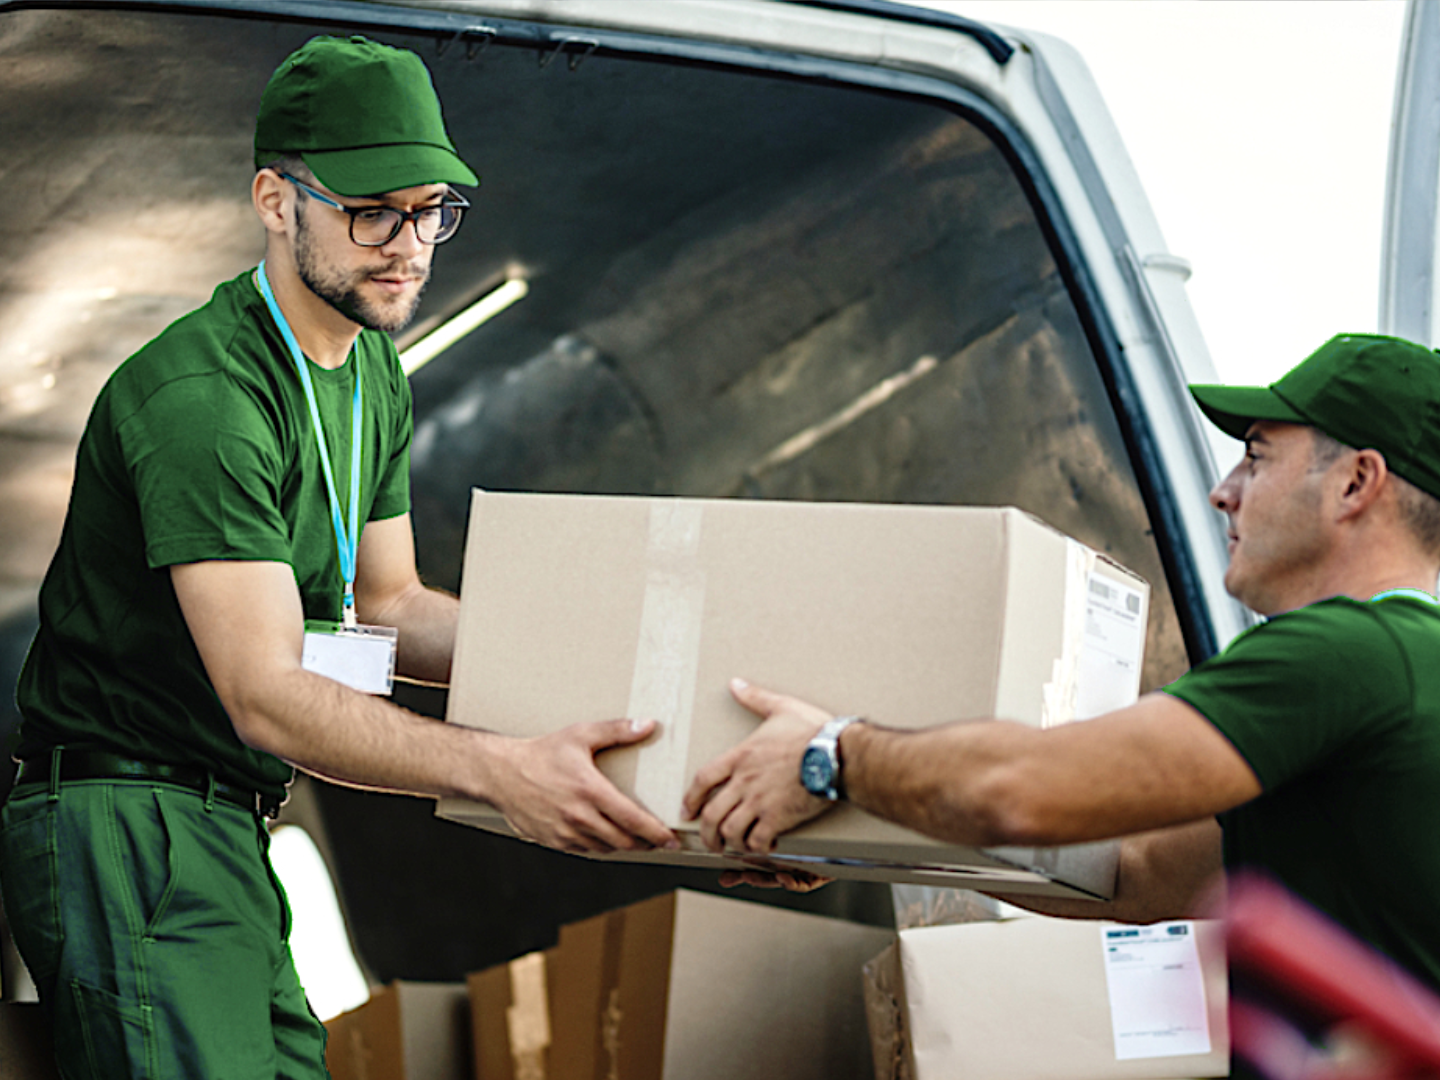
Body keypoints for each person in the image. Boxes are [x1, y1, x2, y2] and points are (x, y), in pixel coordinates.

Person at [0, 35, 675, 1079]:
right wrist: (505, 770)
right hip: (134, 821)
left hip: (227, 823)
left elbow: (393, 606)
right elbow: (267, 693)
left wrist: (622, 682)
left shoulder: (373, 374)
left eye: (432, 210)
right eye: (372, 211)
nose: (408, 245)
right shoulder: (204, 402)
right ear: (276, 200)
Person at [684, 333, 1440, 994]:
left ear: (1354, 483)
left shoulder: (1354, 650)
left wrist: (830, 756)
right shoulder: (1408, 672)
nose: (1224, 493)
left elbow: (1020, 791)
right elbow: (1132, 878)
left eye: (1256, 457)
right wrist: (857, 837)